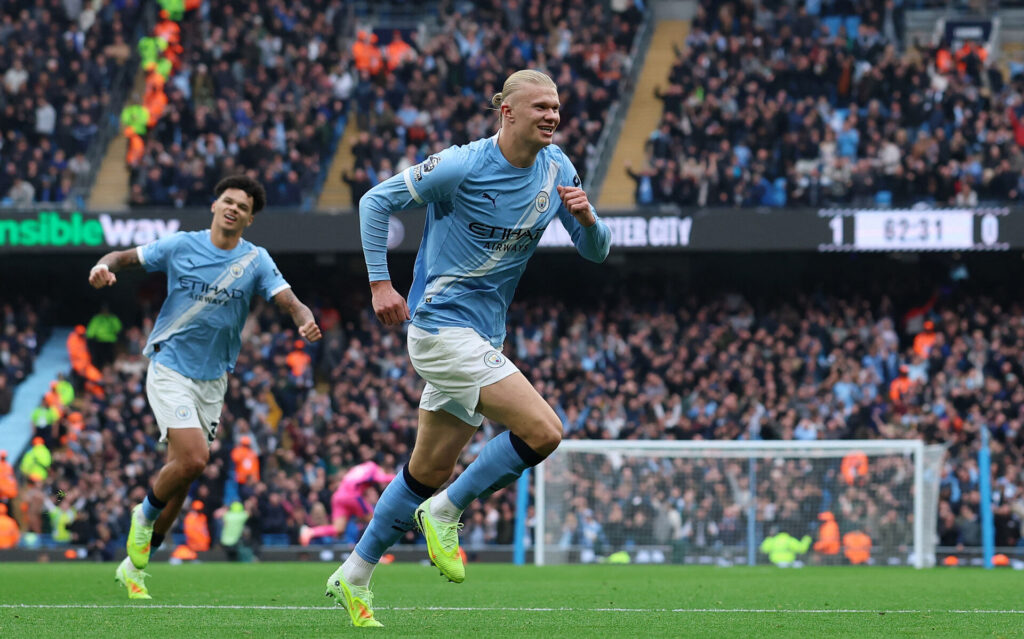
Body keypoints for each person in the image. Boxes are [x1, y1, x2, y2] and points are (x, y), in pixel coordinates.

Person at [324, 69, 611, 627]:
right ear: (506, 112)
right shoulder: (463, 164)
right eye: (540, 107)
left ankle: (354, 574)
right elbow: (374, 202)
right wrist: (381, 284)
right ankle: (448, 509)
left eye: (556, 106)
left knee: (424, 469)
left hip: (483, 335)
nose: (552, 115)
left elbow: (595, 252)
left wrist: (587, 218)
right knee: (544, 431)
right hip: (439, 329)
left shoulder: (559, 170)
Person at [89, 175, 322, 600]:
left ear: (249, 219)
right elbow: (123, 256)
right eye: (228, 201)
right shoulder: (180, 245)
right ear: (215, 205)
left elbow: (289, 299)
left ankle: (134, 566)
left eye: (243, 207)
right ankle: (141, 519)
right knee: (196, 459)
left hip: (213, 381)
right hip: (170, 366)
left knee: (180, 479)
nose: (233, 209)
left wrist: (303, 318)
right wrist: (102, 265)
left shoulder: (256, 260)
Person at [299, 461, 395, 546]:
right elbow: (381, 478)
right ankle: (377, 554)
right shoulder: (374, 468)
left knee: (338, 529)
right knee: (375, 521)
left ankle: (310, 531)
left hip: (338, 496)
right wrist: (402, 478)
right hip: (352, 496)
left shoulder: (358, 468)